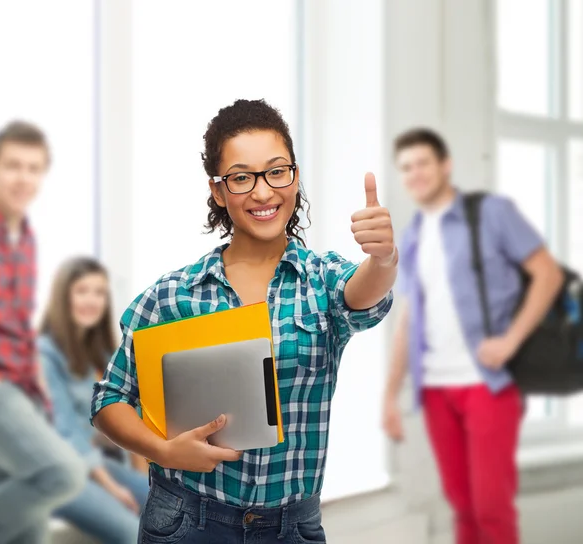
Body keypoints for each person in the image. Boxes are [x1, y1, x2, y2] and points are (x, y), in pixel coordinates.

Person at [91, 98, 397, 543]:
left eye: (277, 171)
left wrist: (384, 257)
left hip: (292, 526)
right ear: (218, 191)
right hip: (185, 519)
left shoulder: (322, 281)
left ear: (294, 176)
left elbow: (363, 292)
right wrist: (163, 450)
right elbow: (109, 398)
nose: (263, 192)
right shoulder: (173, 295)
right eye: (241, 178)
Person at [382, 128, 564, 544]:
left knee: (491, 511)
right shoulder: (411, 237)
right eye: (406, 168)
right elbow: (408, 319)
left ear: (445, 165)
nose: (415, 174)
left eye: (423, 163)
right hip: (435, 388)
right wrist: (390, 395)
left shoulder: (491, 213)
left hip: (487, 384)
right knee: (462, 509)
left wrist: (511, 340)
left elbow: (548, 274)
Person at [0, 121, 87, 544]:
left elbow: (18, 324)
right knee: (62, 474)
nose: (23, 178)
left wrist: (38, 385)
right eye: (13, 166)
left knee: (29, 530)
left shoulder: (24, 236)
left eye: (33, 168)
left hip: (23, 386)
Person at [38, 257, 149, 544]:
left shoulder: (92, 356)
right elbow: (66, 433)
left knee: (162, 505)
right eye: (82, 291)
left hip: (91, 465)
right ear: (64, 297)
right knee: (130, 531)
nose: (92, 300)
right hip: (54, 474)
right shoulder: (44, 354)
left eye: (99, 293)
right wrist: (111, 488)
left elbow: (103, 419)